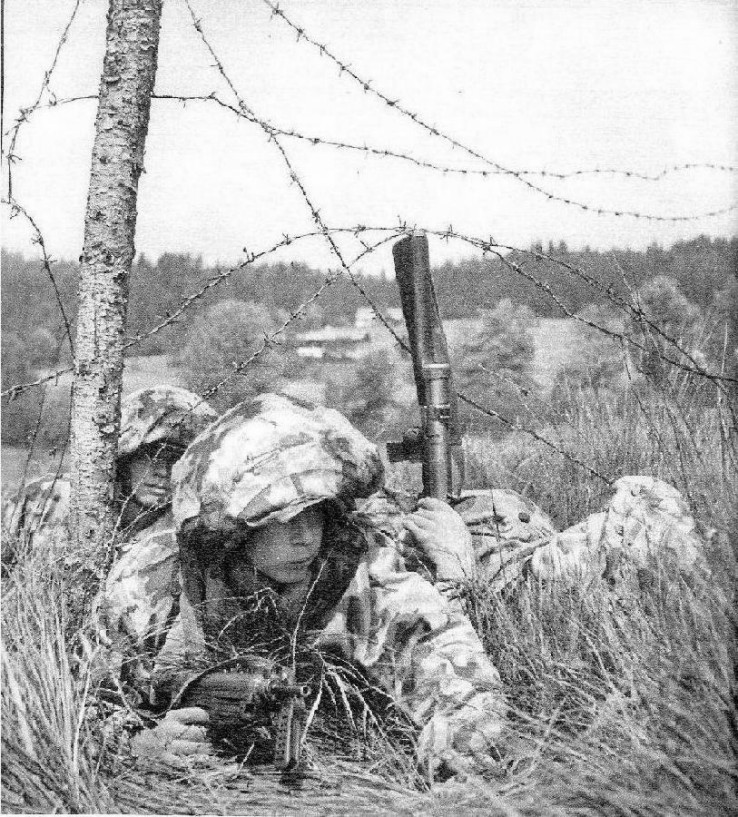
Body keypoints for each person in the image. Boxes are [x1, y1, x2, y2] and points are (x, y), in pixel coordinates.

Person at [122, 393, 506, 779]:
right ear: (235, 530)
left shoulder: (362, 572)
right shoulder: (159, 578)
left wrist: (455, 771)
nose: (306, 538)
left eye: (316, 514)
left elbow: (466, 693)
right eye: (286, 519)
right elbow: (95, 702)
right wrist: (138, 746)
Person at [3, 387, 216, 647]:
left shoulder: (185, 542)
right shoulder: (48, 502)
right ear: (126, 455)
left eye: (177, 459)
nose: (163, 471)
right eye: (153, 455)